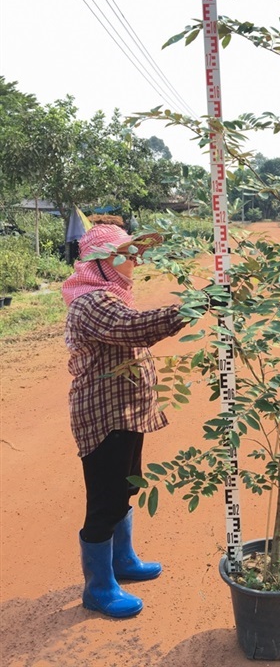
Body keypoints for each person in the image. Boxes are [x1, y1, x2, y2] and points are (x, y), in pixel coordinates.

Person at [62, 224, 191, 619]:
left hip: (125, 412)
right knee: (105, 499)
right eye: (126, 253)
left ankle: (123, 561)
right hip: (104, 417)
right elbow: (132, 328)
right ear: (101, 262)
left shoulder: (110, 294)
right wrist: (191, 307)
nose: (135, 259)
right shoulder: (91, 303)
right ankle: (98, 588)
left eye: (135, 252)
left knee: (127, 486)